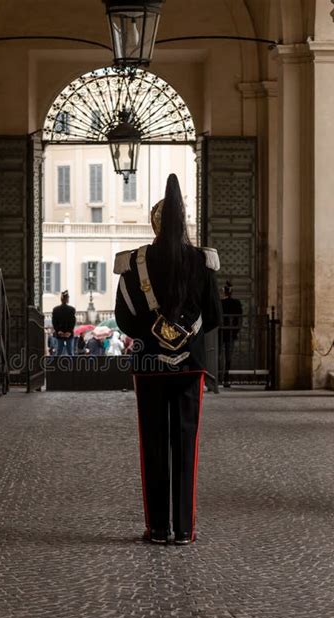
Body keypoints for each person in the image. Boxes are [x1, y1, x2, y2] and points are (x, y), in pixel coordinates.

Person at [114, 174, 222, 545]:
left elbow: (124, 319)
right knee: (186, 444)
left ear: (154, 224)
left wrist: (152, 334)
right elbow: (215, 316)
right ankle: (184, 529)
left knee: (154, 444)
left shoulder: (133, 264)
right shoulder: (202, 261)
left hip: (149, 366)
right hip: (190, 364)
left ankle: (158, 527)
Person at [220, 281, 243, 387]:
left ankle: (218, 378)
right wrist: (236, 330)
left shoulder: (220, 303)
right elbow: (239, 319)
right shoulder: (236, 303)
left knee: (219, 356)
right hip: (231, 333)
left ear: (223, 291)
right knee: (228, 357)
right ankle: (226, 379)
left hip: (220, 333)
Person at [52, 290, 76, 356]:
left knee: (58, 352)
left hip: (60, 334)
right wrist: (69, 331)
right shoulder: (72, 309)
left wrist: (58, 331)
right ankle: (72, 366)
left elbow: (54, 322)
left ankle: (56, 365)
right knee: (70, 353)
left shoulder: (55, 309)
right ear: (67, 299)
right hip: (68, 334)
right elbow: (73, 322)